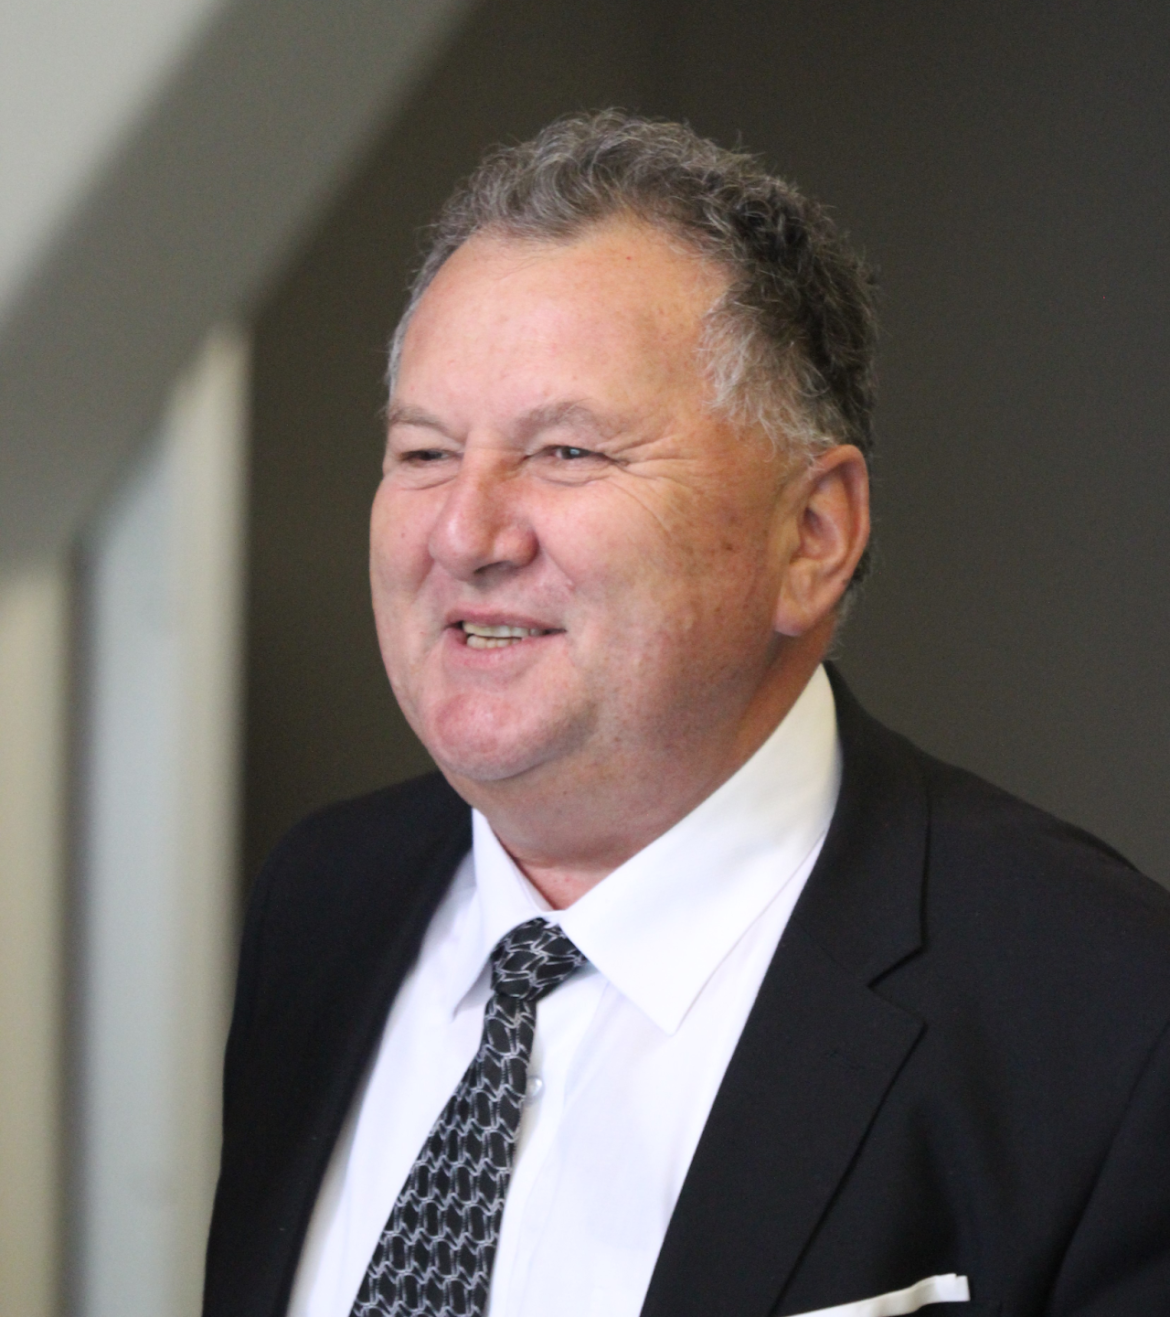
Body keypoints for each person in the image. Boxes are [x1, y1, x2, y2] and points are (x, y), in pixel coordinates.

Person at [204, 113, 1170, 1317]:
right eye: (425, 451)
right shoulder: (324, 900)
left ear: (810, 535)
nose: (465, 531)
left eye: (567, 450)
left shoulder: (1107, 1014)